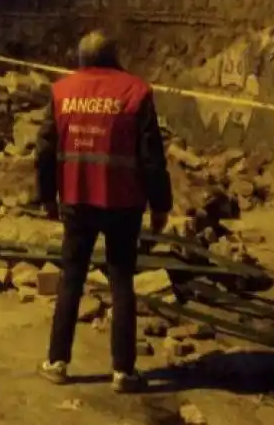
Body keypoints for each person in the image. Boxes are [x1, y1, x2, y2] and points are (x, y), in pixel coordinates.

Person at [35, 30, 173, 393]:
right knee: (122, 282)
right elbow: (152, 157)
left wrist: (47, 196)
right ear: (114, 56)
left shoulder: (61, 92)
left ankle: (57, 362)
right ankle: (123, 372)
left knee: (71, 279)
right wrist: (161, 204)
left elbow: (45, 151)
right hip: (124, 203)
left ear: (81, 58)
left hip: (77, 199)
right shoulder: (136, 92)